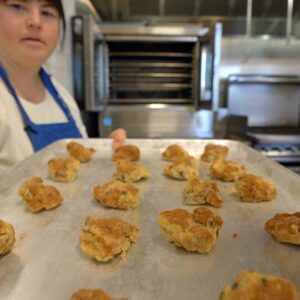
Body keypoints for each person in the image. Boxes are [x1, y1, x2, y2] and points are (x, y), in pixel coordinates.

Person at [0, 0, 126, 172]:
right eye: (18, 7)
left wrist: (105, 152)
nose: (35, 22)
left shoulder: (62, 97)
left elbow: (82, 170)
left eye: (47, 13)